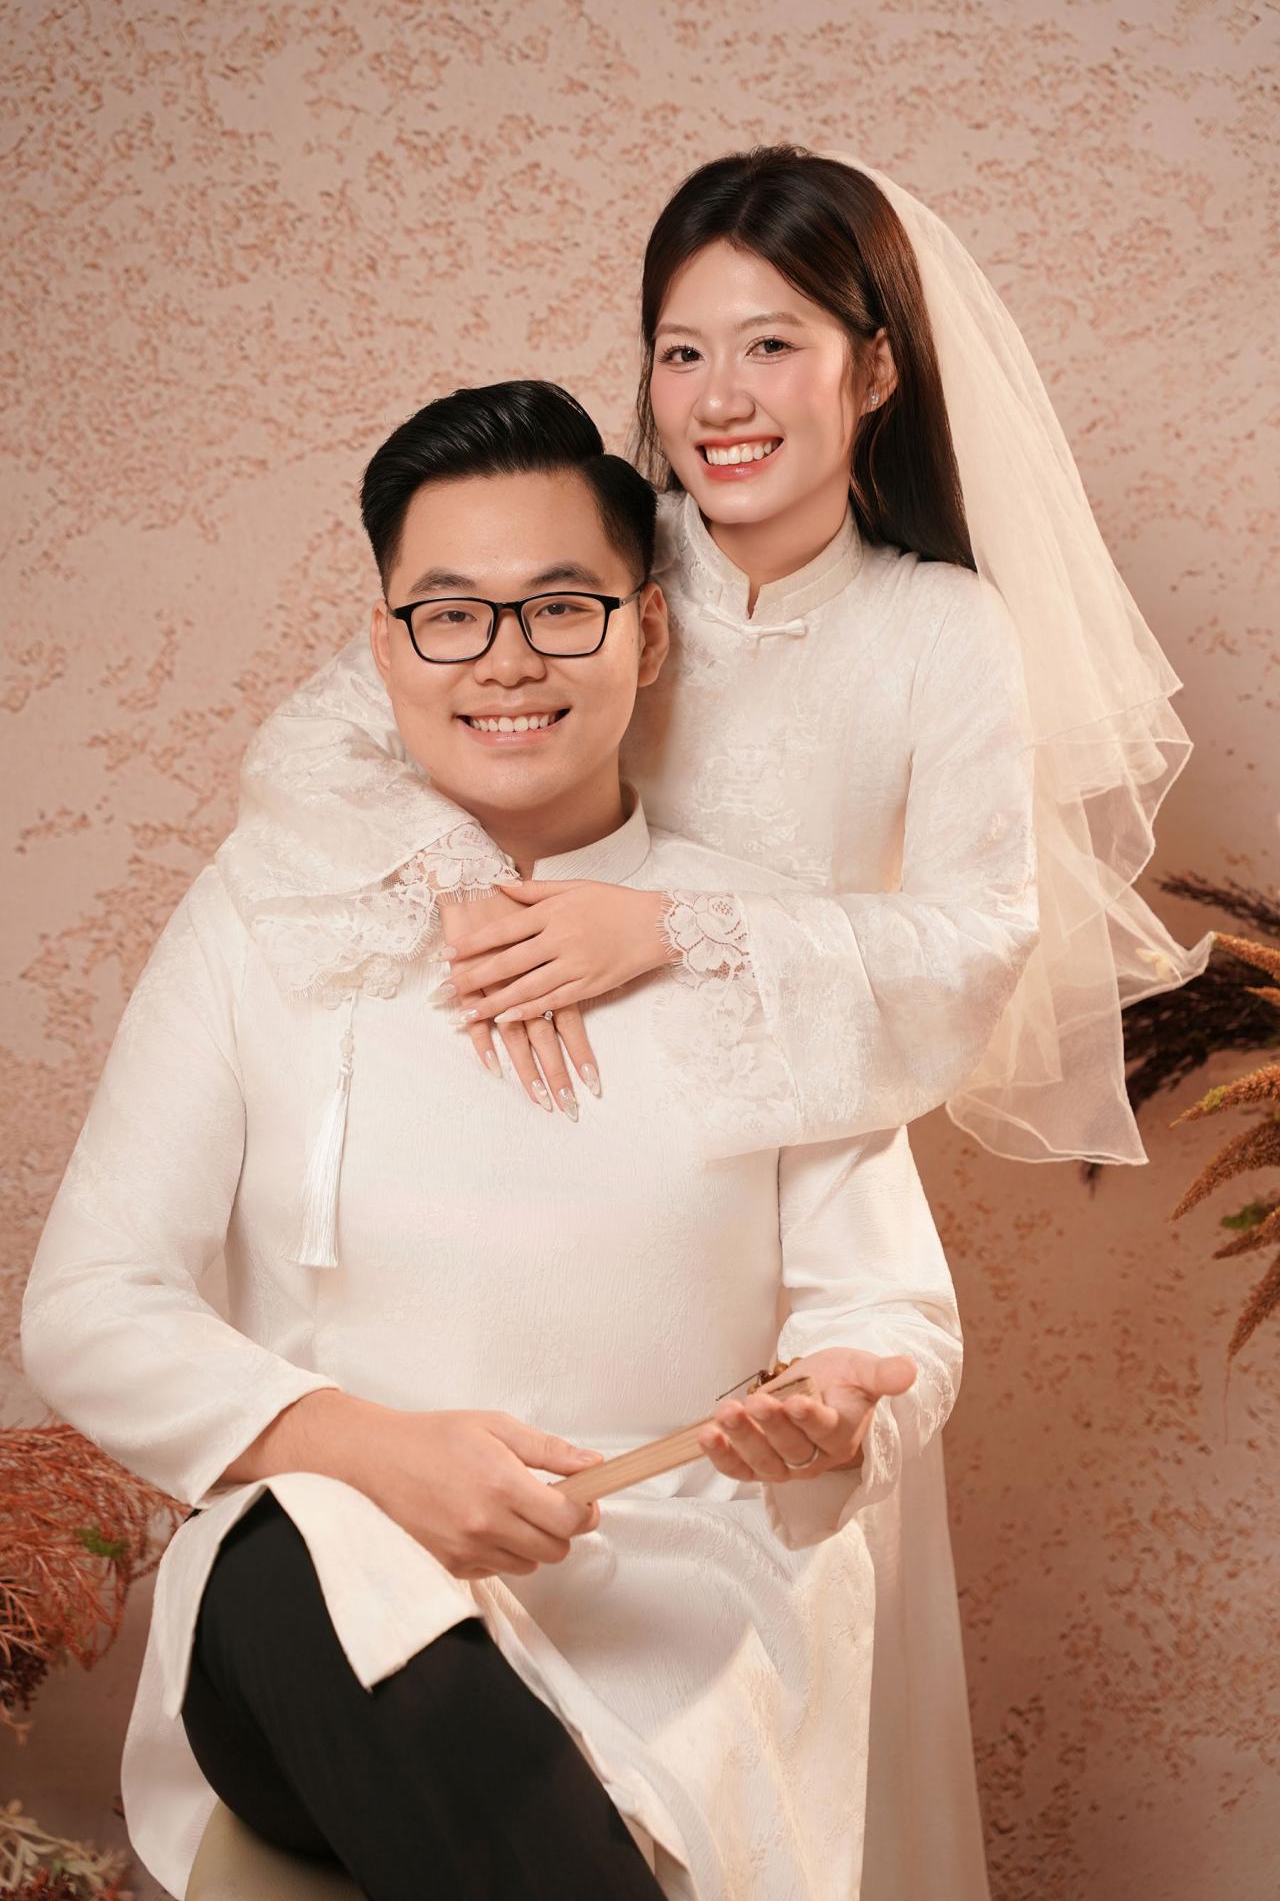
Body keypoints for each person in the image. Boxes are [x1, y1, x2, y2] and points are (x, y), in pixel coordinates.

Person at [212, 147, 1209, 1898]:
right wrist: (473, 888)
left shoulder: (940, 633)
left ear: (874, 368)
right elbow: (323, 751)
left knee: (775, 1749)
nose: (719, 399)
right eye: (682, 350)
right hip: (507, 1171)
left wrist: (667, 929)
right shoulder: (594, 562)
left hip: (767, 1212)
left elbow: (978, 936)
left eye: (773, 345)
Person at [21, 381, 966, 1901]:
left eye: (562, 609)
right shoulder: (273, 911)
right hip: (323, 1619)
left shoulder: (761, 934)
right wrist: (372, 1454)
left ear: (646, 633)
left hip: (685, 1610)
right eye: (450, 615)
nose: (506, 661)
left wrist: (842, 1409)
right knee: (297, 1546)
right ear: (386, 643)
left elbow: (893, 1314)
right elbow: (88, 1305)